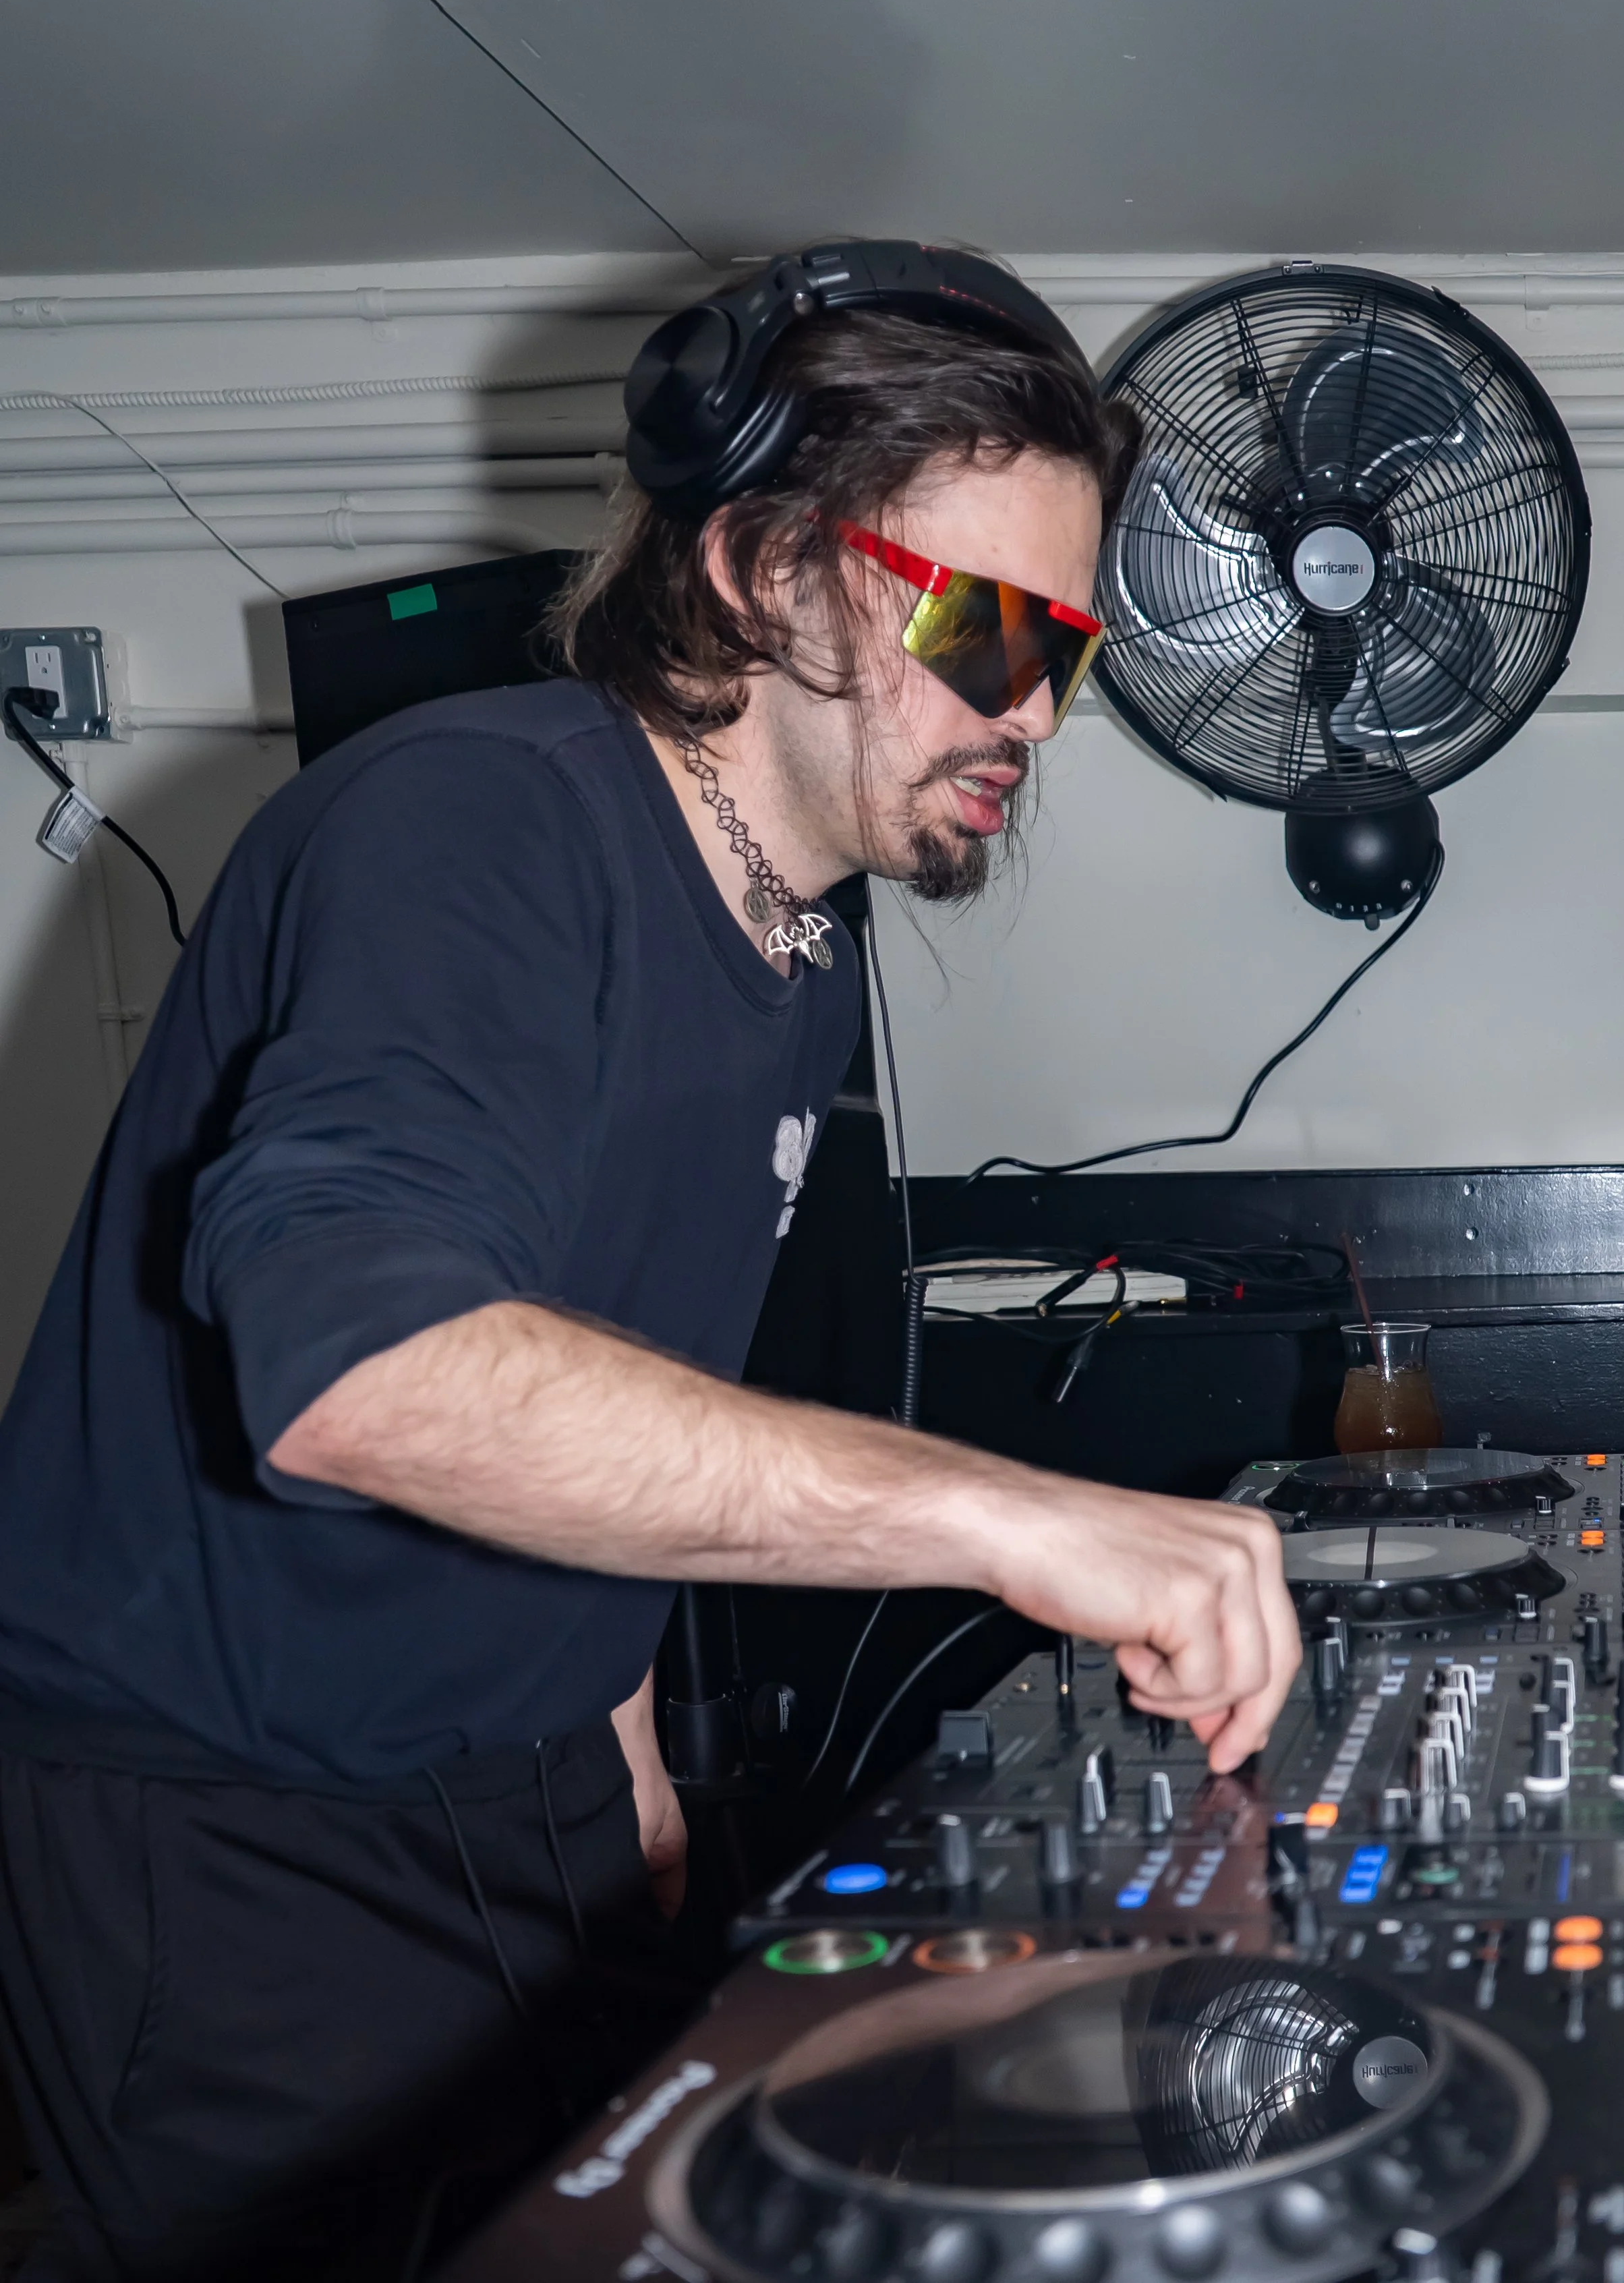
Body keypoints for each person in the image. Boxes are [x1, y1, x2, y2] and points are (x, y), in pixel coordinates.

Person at [0, 244, 1300, 2280]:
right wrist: (1014, 1518)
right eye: (982, 625)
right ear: (766, 568)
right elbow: (365, 1373)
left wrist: (620, 1763)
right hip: (234, 1825)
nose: (1033, 706)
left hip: (522, 1794)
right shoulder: (479, 821)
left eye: (1071, 650)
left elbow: (596, 1370)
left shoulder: (796, 937)